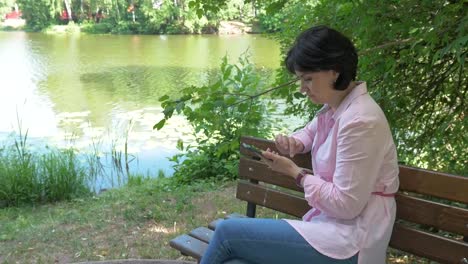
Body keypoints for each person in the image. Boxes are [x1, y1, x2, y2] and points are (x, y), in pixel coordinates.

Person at [200, 25, 400, 264]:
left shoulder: (361, 121)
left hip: (353, 240)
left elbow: (346, 205)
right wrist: (294, 143)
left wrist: (296, 174)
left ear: (334, 71)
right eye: (300, 79)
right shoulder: (336, 108)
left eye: (308, 79)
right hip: (333, 228)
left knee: (226, 233)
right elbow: (311, 132)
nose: (302, 88)